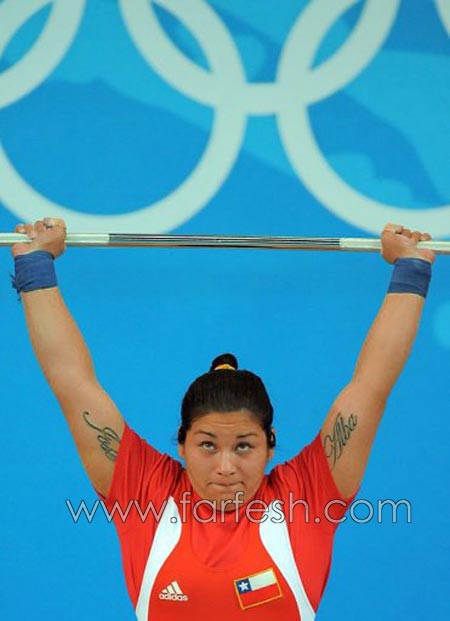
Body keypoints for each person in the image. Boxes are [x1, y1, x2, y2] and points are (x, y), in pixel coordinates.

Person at [11, 218, 434, 621]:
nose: (226, 466)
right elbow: (73, 384)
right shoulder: (143, 492)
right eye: (207, 445)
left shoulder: (310, 496)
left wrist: (411, 269)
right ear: (182, 443)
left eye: (244, 446)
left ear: (270, 444)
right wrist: (34, 268)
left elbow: (371, 386)